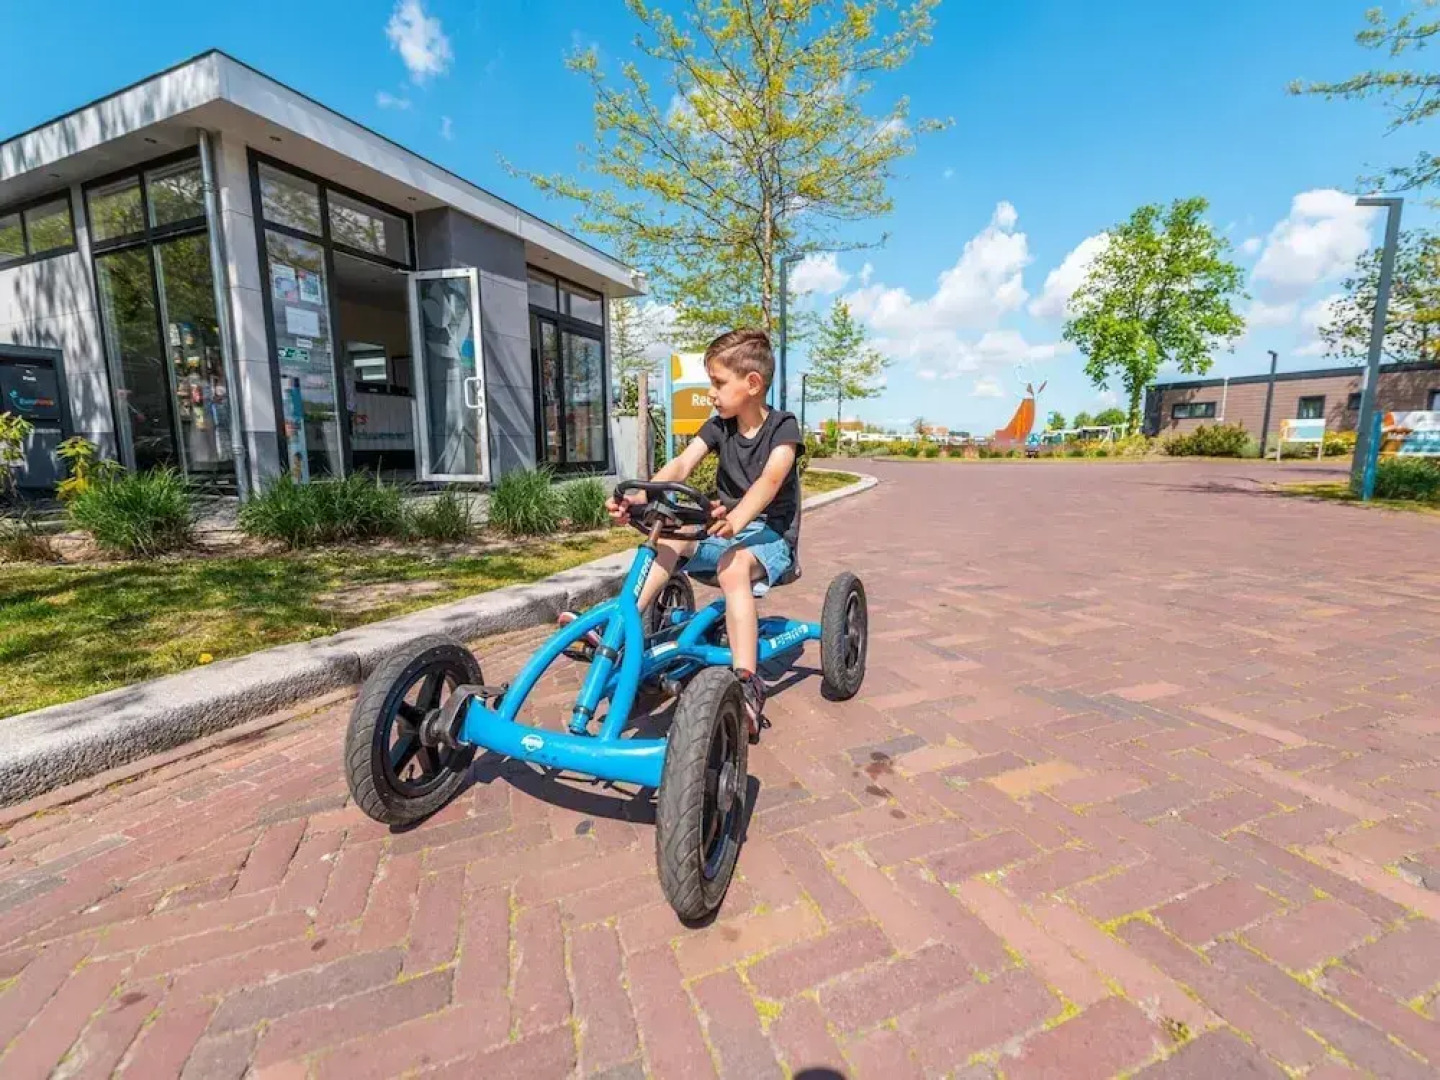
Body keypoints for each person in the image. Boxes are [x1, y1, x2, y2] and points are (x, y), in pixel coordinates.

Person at [561, 328, 804, 736]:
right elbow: (681, 465)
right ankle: (619, 628)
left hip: (771, 538)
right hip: (726, 528)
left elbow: (770, 480)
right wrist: (643, 495)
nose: (711, 392)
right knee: (670, 537)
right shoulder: (719, 427)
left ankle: (746, 682)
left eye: (718, 383)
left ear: (752, 384)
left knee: (732, 567)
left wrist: (738, 519)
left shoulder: (783, 427)